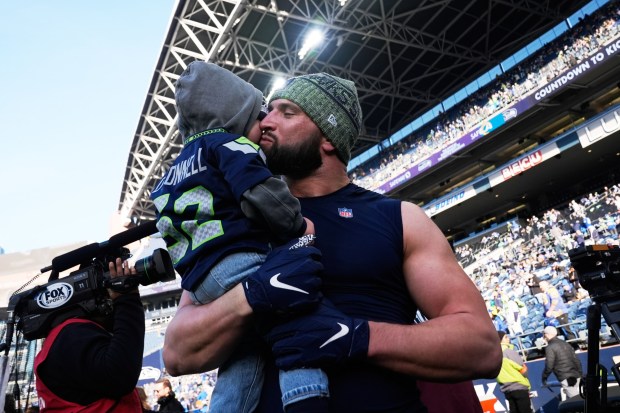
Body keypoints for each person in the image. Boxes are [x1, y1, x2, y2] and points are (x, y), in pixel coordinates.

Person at [162, 72, 502, 412]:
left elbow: (481, 346)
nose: (266, 120)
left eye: (287, 111)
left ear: (328, 136)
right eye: (267, 110)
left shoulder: (400, 218)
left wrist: (355, 337)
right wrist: (251, 295)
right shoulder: (238, 219)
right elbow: (178, 354)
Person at [150, 61, 327, 413]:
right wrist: (295, 226)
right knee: (295, 314)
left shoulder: (172, 171)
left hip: (200, 280)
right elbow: (262, 192)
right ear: (235, 116)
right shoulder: (229, 144)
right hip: (240, 260)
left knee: (245, 352)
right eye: (257, 114)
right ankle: (307, 397)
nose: (263, 123)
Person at [34, 258, 144, 412]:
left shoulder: (67, 335)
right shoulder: (70, 336)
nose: (112, 297)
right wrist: (127, 300)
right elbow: (120, 375)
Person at [541, 326, 583, 401]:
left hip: (565, 377)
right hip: (576, 375)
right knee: (582, 398)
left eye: (544, 334)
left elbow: (549, 365)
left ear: (547, 335)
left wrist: (544, 377)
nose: (543, 336)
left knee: (576, 401)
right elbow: (576, 360)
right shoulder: (565, 343)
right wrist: (580, 373)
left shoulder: (550, 347)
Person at [497, 331, 533, 413]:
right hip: (518, 386)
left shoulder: (494, 354)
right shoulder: (509, 352)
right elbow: (523, 369)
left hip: (506, 389)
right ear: (500, 340)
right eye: (505, 337)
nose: (508, 338)